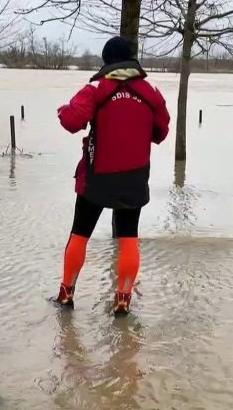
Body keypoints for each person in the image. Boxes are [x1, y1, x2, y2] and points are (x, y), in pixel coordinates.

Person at [54, 36, 170, 316]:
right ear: (132, 59)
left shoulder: (97, 88)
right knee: (129, 237)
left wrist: (64, 109)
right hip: (134, 177)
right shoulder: (149, 90)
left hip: (98, 176)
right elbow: (161, 131)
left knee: (80, 233)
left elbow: (71, 122)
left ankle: (66, 294)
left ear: (105, 61)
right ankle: (122, 299)